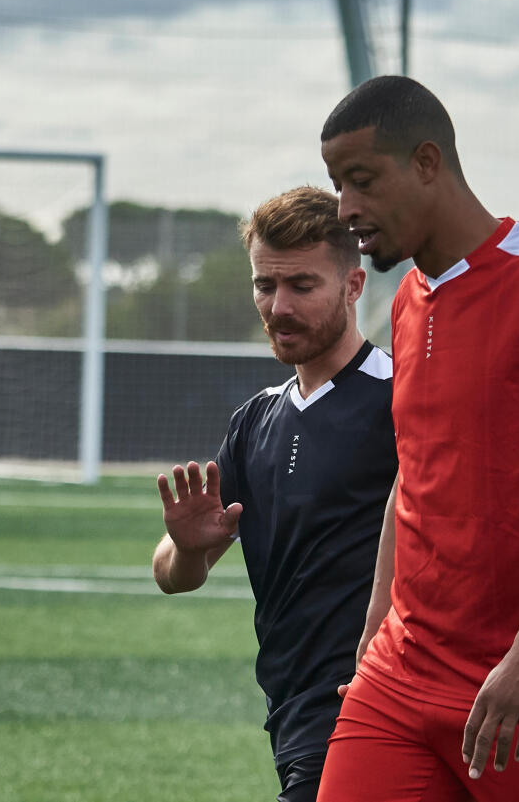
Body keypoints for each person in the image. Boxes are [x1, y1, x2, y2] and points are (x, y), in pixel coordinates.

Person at [314, 76, 519, 802]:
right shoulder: (404, 300)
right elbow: (417, 468)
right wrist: (376, 624)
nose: (346, 210)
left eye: (361, 180)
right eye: (338, 185)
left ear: (427, 162)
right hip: (401, 676)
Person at [152, 186, 396, 802]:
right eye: (265, 285)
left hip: (371, 704)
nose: (278, 306)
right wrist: (187, 547)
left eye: (302, 286)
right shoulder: (255, 420)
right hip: (291, 709)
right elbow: (174, 575)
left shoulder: (403, 400)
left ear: (353, 285)